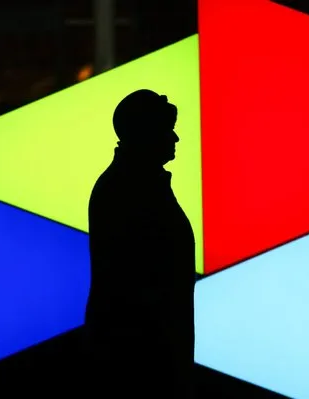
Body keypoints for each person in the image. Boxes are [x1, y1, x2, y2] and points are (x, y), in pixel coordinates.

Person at [84, 89, 196, 398]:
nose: (175, 138)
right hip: (141, 358)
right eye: (166, 130)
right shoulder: (127, 190)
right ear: (145, 133)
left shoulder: (133, 184)